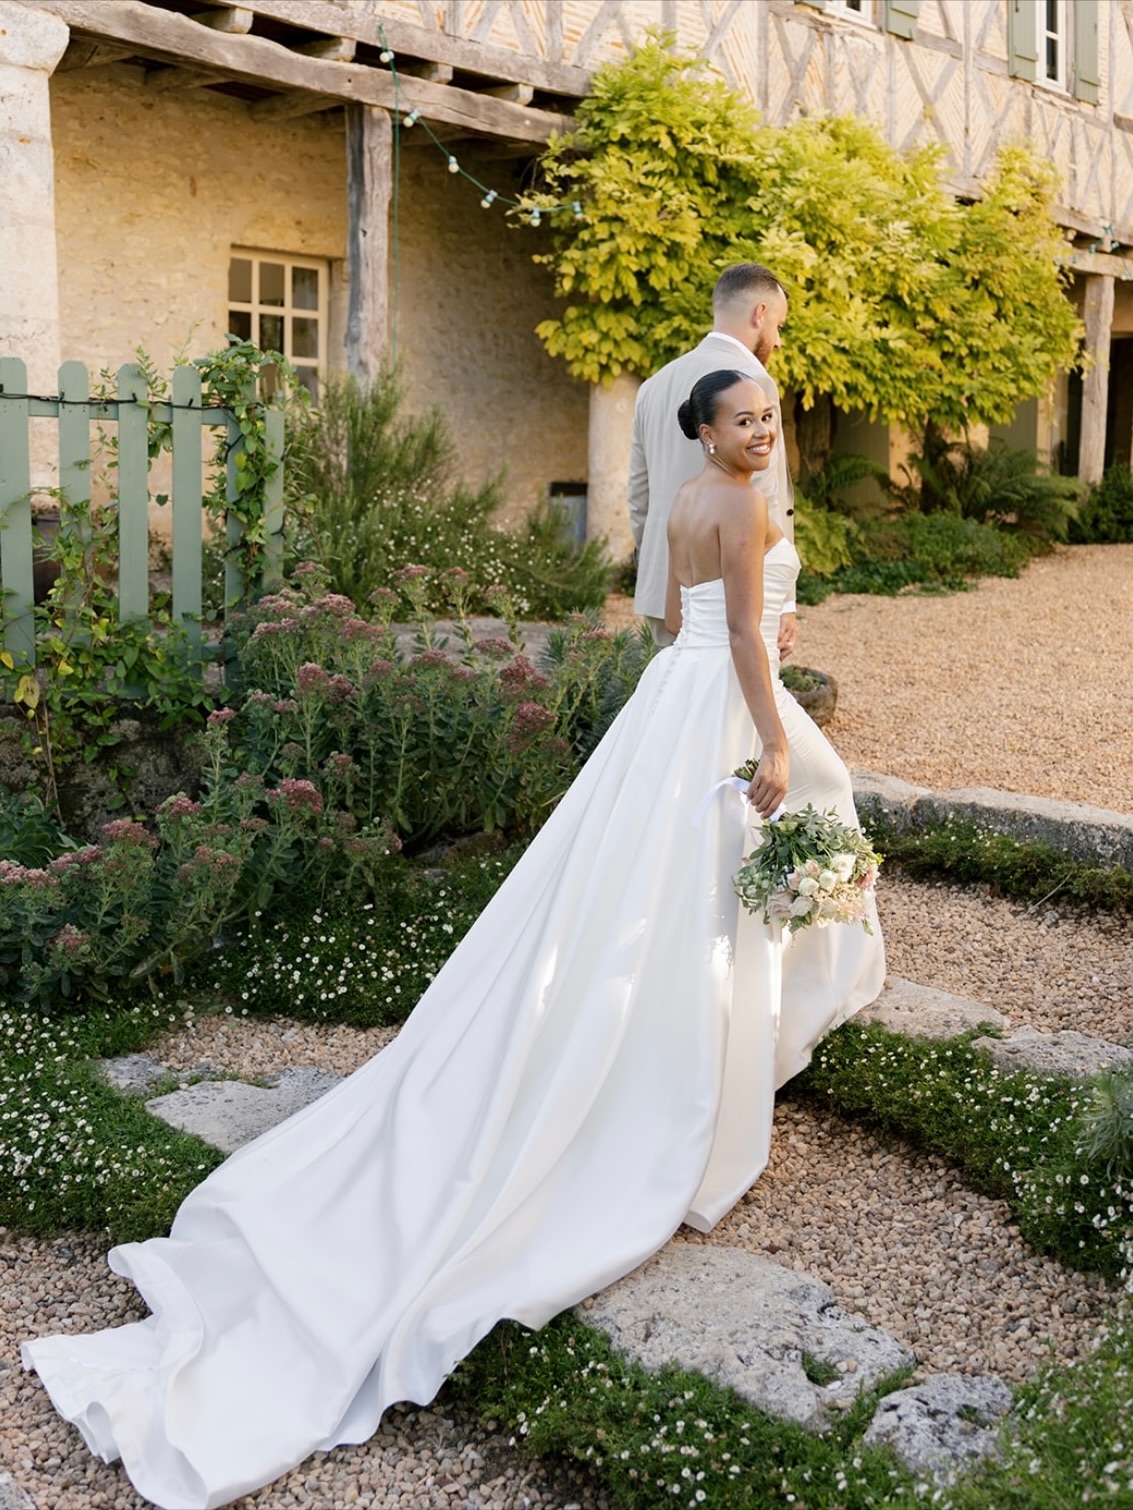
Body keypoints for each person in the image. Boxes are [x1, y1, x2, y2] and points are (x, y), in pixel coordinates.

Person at [22, 373, 884, 1510]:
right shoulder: (741, 505)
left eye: (767, 417)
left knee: (648, 887)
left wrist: (742, 652)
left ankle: (715, 1034)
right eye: (743, 421)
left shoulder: (682, 500)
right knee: (739, 862)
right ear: (705, 431)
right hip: (724, 702)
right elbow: (736, 645)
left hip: (668, 703)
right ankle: (702, 1061)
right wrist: (772, 740)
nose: (761, 431)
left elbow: (678, 626)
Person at [629, 263, 794, 651]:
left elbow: (639, 500)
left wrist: (662, 564)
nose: (779, 342)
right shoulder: (752, 385)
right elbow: (765, 495)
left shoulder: (654, 385)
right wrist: (782, 599)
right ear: (761, 314)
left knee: (671, 704)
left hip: (661, 592)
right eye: (780, 328)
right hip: (730, 596)